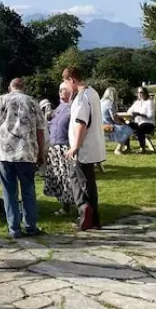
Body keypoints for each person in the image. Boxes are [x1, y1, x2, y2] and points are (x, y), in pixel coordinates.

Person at [0, 78, 44, 239]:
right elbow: (40, 130)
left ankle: (14, 228)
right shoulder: (33, 102)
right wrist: (40, 152)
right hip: (26, 152)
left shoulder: (0, 100)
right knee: (28, 190)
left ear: (9, 87)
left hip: (4, 153)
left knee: (9, 192)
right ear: (23, 87)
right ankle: (31, 226)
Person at [63, 66, 106, 231]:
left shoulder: (81, 98)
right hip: (93, 145)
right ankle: (93, 217)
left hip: (83, 147)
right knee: (86, 180)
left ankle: (84, 209)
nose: (66, 86)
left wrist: (75, 146)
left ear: (72, 80)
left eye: (66, 83)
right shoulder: (93, 93)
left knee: (81, 181)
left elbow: (81, 124)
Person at [44, 83, 75, 215]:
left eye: (64, 90)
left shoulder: (73, 108)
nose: (61, 92)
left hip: (65, 147)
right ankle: (65, 207)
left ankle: (77, 206)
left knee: (68, 178)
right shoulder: (58, 108)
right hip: (54, 147)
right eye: (60, 90)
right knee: (59, 179)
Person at [101, 88, 133, 155]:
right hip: (108, 126)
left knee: (124, 126)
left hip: (99, 125)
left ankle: (126, 147)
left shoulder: (101, 102)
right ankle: (118, 149)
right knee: (128, 129)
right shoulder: (110, 104)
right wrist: (121, 123)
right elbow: (114, 117)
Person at [126, 86, 156, 152]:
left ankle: (142, 148)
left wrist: (139, 114)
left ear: (145, 93)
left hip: (148, 123)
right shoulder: (137, 103)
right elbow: (129, 111)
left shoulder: (149, 102)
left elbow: (150, 115)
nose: (139, 94)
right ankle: (127, 147)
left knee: (140, 129)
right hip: (138, 122)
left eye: (141, 92)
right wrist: (132, 115)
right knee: (126, 127)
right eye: (138, 93)